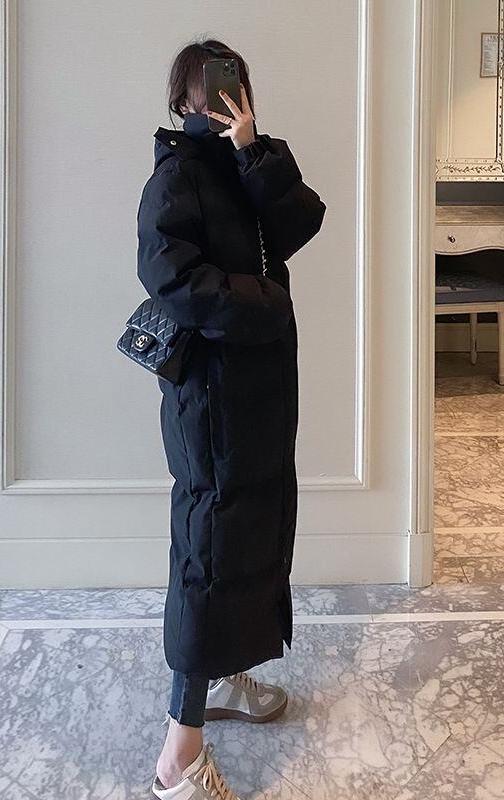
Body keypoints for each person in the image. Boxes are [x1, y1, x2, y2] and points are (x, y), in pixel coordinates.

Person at [136, 38, 326, 800]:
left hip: (260, 394)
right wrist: (264, 304)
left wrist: (252, 149)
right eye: (209, 89)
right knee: (209, 550)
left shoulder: (245, 165)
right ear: (182, 99)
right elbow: (170, 276)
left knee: (250, 533)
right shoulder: (176, 175)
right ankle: (177, 757)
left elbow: (301, 223)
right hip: (211, 398)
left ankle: (225, 675)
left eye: (234, 86)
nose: (222, 99)